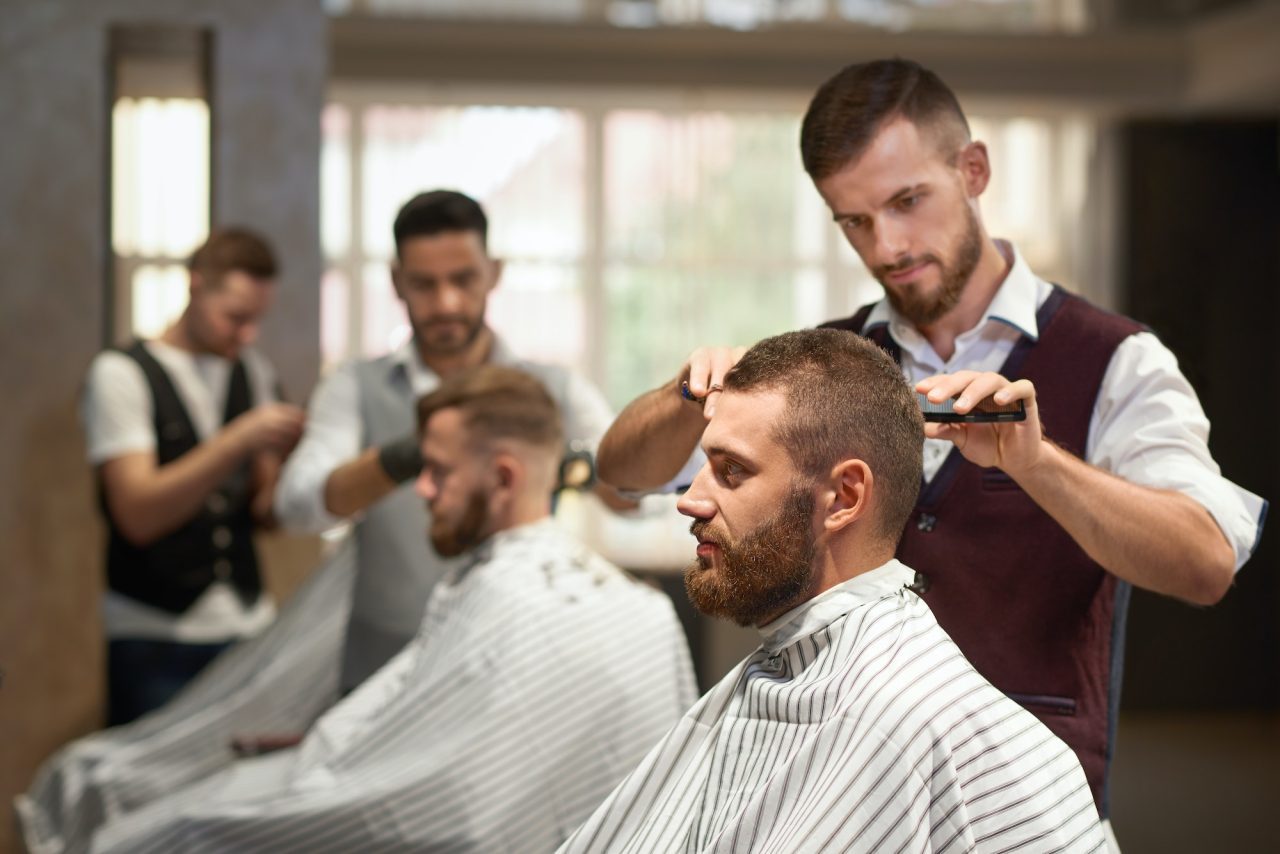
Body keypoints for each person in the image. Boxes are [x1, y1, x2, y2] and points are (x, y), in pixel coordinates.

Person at [593, 58, 1266, 827]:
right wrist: (684, 398)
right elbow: (620, 478)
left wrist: (1038, 466)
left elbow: (1205, 564)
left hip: (1025, 806)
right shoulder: (825, 364)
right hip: (846, 796)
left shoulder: (1118, 360)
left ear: (972, 170)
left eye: (907, 201)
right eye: (854, 221)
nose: (887, 246)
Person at [90, 365, 696, 854]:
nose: (421, 489)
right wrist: (323, 744)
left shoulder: (504, 599)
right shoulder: (640, 608)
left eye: (438, 472)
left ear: (504, 477)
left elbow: (428, 804)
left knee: (161, 829)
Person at [562, 329, 1105, 852]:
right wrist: (683, 391)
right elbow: (618, 472)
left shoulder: (934, 721)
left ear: (845, 497)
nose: (689, 500)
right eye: (705, 465)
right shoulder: (779, 674)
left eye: (731, 471)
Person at [275, 189, 626, 692]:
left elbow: (637, 499)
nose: (446, 303)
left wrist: (571, 463)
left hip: (514, 671)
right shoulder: (354, 387)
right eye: (424, 284)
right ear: (397, 281)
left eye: (463, 280)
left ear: (494, 273)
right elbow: (296, 506)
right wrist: (417, 453)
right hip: (383, 676)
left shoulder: (554, 390)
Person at [82, 226, 306, 725]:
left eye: (256, 320)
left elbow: (264, 512)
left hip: (248, 623)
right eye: (236, 318)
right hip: (154, 632)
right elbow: (137, 515)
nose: (247, 335)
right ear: (196, 286)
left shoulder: (254, 371)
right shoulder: (121, 374)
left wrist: (299, 463)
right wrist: (237, 441)